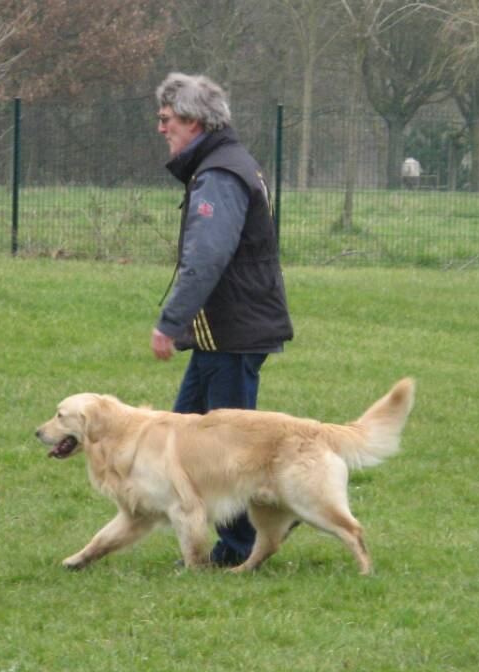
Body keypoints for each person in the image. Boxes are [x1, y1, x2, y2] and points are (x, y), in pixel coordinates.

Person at [151, 72, 294, 567]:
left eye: (166, 119)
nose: (161, 128)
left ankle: (244, 543)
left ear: (192, 121)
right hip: (225, 333)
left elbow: (207, 257)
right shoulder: (222, 165)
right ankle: (219, 528)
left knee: (226, 452)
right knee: (181, 436)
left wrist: (170, 321)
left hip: (232, 332)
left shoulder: (219, 175)